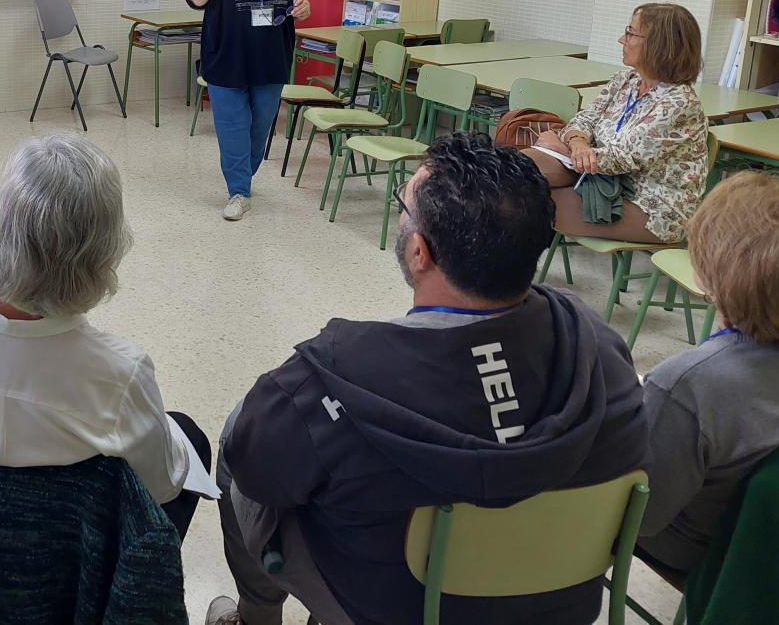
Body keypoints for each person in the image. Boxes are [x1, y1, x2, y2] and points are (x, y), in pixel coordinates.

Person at [208, 133, 648, 625]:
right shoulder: (599, 347)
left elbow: (254, 464)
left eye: (404, 205)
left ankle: (256, 617)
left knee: (236, 443)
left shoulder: (331, 381)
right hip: (558, 606)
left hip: (397, 607)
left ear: (419, 252)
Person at [0, 133, 212, 540]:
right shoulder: (119, 373)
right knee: (190, 437)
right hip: (63, 572)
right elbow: (161, 486)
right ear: (102, 251)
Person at [636, 172, 779, 576]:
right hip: (776, 545)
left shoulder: (687, 385)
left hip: (705, 553)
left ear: (708, 274)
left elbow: (639, 518)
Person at [529, 2, 708, 244]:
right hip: (600, 178)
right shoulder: (625, 80)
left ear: (659, 45)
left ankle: (494, 278)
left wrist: (562, 145)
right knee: (512, 173)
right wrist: (576, 140)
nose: (621, 40)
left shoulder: (679, 103)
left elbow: (622, 158)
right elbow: (585, 118)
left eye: (631, 33)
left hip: (649, 206)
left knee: (526, 204)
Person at [185, 0, 311, 221]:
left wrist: (304, 8)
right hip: (226, 60)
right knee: (233, 130)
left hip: (270, 61)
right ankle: (239, 191)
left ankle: (243, 179)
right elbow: (195, 0)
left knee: (258, 132)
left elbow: (301, 2)